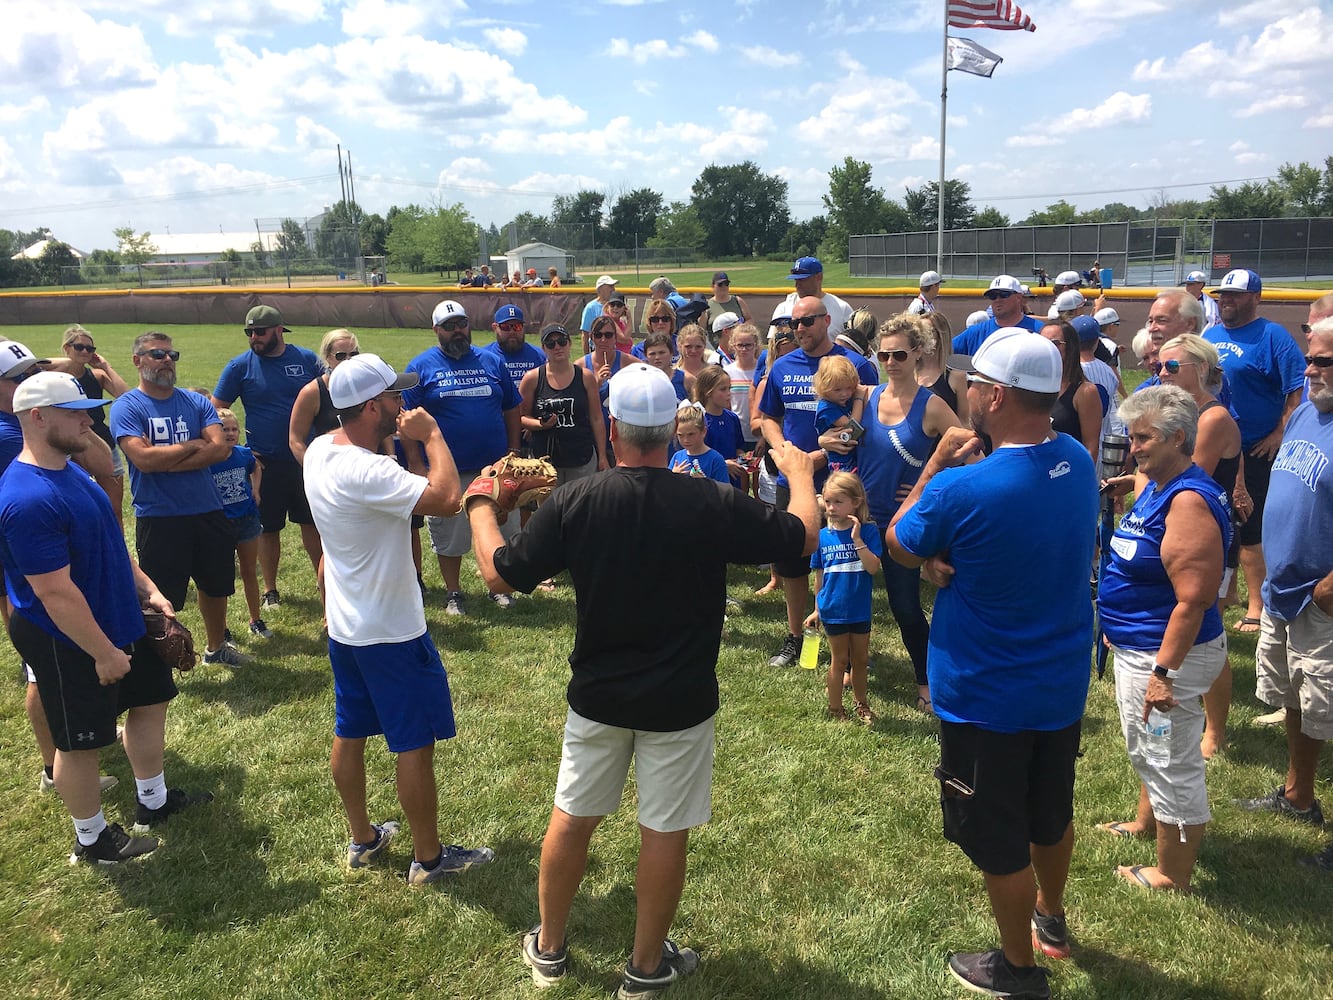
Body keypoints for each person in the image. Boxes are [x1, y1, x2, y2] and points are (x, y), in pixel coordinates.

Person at [464, 362, 817, 997]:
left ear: (616, 431)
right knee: (663, 829)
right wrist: (800, 476)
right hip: (679, 698)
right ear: (671, 429)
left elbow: (499, 575)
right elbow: (799, 541)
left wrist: (482, 502)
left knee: (572, 817)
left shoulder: (579, 499)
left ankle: (549, 949)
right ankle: (646, 966)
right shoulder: (708, 501)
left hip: (598, 692)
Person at [886, 328, 1098, 996]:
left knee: (999, 837)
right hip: (1057, 685)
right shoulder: (1074, 458)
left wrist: (934, 469)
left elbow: (896, 541)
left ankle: (1016, 967)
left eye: (973, 383)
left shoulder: (962, 488)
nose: (965, 392)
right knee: (1050, 813)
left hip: (985, 693)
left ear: (997, 395)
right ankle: (1051, 918)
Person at [0, 371, 212, 863]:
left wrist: (149, 589)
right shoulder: (26, 497)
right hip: (68, 636)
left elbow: (110, 541)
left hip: (120, 616)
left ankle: (153, 802)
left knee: (150, 703)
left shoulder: (68, 470)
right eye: (74, 412)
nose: (86, 420)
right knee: (80, 743)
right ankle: (92, 840)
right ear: (37, 417)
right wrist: (103, 652)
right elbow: (55, 593)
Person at [302, 352, 494, 885]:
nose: (403, 403)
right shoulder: (369, 469)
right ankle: (429, 859)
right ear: (370, 406)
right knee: (413, 740)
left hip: (347, 624)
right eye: (393, 396)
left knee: (351, 728)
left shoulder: (322, 450)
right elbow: (447, 498)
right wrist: (431, 436)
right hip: (390, 629)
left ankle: (363, 838)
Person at [1096, 386, 1231, 892]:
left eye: (1144, 438)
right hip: (1141, 645)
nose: (1135, 447)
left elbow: (1194, 600)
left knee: (1169, 756)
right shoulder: (1158, 482)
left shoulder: (1188, 502)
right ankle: (1146, 820)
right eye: (1131, 437)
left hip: (1165, 656)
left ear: (1178, 438)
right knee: (1151, 745)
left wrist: (1161, 673)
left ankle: (1171, 873)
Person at [832, 313, 965, 713]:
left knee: (905, 607)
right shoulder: (866, 395)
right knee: (844, 595)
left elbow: (970, 454)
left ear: (918, 354)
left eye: (900, 354)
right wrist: (825, 441)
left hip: (901, 523)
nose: (890, 362)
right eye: (884, 354)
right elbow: (844, 440)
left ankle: (926, 681)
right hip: (859, 518)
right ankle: (850, 666)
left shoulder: (933, 405)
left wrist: (929, 482)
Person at [1237, 320, 1333, 863]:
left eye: (1324, 363)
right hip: (1286, 587)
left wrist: (1328, 589)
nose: (1310, 372)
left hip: (1322, 596)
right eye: (1309, 360)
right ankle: (1299, 797)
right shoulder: (1303, 413)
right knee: (1299, 698)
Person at [111, 332, 247, 667]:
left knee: (216, 585)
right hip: (159, 515)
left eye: (172, 354)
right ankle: (162, 654)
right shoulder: (127, 406)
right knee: (161, 593)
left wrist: (164, 460)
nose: (167, 360)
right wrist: (190, 446)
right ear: (137, 360)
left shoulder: (196, 402)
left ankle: (216, 648)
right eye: (157, 354)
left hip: (207, 509)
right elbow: (142, 460)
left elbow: (218, 448)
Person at [758, 295, 878, 668]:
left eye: (807, 322)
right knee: (792, 556)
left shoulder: (856, 366)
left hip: (842, 481)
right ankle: (796, 636)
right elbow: (768, 417)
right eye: (793, 324)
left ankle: (845, 639)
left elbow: (867, 429)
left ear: (827, 320)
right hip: (794, 480)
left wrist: (820, 455)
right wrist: (784, 453)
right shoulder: (782, 365)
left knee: (844, 560)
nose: (799, 329)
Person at [1204, 270, 1307, 636]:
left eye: (1234, 294)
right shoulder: (1210, 335)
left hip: (1255, 447)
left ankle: (1256, 606)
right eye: (1222, 295)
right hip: (1215, 441)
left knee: (1250, 528)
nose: (1225, 300)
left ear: (1255, 298)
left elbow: (1297, 388)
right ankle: (1224, 594)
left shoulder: (1272, 336)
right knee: (1216, 522)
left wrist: (1280, 431)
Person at [403, 299, 521, 615]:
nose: (458, 331)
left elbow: (512, 408)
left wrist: (514, 451)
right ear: (436, 330)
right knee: (450, 535)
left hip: (493, 468)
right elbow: (405, 419)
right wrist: (415, 462)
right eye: (449, 326)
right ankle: (454, 592)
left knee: (500, 530)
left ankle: (499, 586)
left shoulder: (491, 361)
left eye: (462, 324)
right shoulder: (420, 367)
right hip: (448, 472)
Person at [212, 304, 322, 611]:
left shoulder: (305, 359)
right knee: (268, 528)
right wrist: (230, 451)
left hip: (306, 459)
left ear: (278, 330)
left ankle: (323, 579)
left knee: (312, 523)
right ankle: (270, 589)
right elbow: (214, 410)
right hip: (264, 462)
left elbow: (330, 396)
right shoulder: (239, 367)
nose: (254, 338)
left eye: (259, 332)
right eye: (249, 332)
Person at [803, 471, 882, 725]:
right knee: (840, 660)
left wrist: (857, 539)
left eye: (838, 502)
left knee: (859, 659)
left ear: (855, 502)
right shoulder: (823, 536)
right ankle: (836, 708)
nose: (831, 508)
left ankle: (862, 703)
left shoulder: (868, 532)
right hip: (833, 610)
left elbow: (873, 568)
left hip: (859, 609)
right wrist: (817, 609)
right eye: (827, 502)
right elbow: (819, 577)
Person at [44, 324, 130, 523]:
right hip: (68, 444)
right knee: (74, 505)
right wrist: (67, 362)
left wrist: (105, 367)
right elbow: (34, 365)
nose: (85, 352)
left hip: (101, 441)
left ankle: (119, 551)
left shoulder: (97, 376)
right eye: (79, 347)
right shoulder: (55, 378)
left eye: (90, 349)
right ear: (66, 348)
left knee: (113, 506)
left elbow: (126, 396)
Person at [519, 323, 607, 484]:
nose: (557, 347)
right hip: (545, 461)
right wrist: (540, 424)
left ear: (569, 344)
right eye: (551, 344)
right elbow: (521, 417)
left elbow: (596, 418)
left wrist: (602, 456)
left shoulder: (585, 377)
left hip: (581, 458)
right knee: (549, 507)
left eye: (562, 341)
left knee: (580, 507)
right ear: (544, 348)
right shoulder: (532, 378)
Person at [211, 408, 269, 640]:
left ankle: (256, 619)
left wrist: (255, 490)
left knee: (249, 572)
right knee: (221, 577)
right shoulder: (209, 458)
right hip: (220, 523)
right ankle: (221, 628)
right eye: (225, 429)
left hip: (246, 519)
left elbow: (256, 467)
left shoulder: (243, 454)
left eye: (234, 429)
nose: (231, 433)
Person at [288, 329, 361, 466]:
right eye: (340, 356)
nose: (348, 360)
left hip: (366, 468)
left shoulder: (367, 385)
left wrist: (391, 457)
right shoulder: (312, 392)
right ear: (328, 357)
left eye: (353, 354)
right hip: (332, 469)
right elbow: (295, 440)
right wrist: (314, 470)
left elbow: (381, 426)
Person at [1042, 320, 1101, 463]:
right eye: (1042, 343)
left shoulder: (1085, 392)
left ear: (1071, 348)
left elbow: (1090, 448)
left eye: (1054, 343)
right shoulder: (1033, 388)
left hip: (1067, 473)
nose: (1047, 348)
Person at [952, 275, 1044, 356]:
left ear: (1019, 297)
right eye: (993, 296)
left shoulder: (1039, 331)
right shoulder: (976, 332)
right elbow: (943, 351)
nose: (997, 300)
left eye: (1004, 295)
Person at [812, 354, 865, 476]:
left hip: (856, 458)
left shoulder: (844, 401)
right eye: (837, 390)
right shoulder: (826, 408)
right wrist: (858, 398)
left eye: (849, 388)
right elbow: (853, 429)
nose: (845, 394)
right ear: (823, 387)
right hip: (842, 463)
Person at [780, 256, 853, 332]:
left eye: (802, 280)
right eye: (796, 280)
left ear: (819, 277)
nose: (797, 285)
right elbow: (772, 342)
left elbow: (853, 341)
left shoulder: (842, 308)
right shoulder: (784, 308)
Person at [482, 304, 545, 388]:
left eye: (517, 326)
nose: (512, 332)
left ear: (523, 328)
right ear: (495, 327)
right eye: (505, 327)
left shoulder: (540, 356)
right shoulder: (483, 358)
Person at [669, 402, 729, 484]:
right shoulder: (677, 457)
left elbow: (725, 493)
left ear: (703, 432)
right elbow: (666, 490)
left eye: (691, 434)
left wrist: (705, 484)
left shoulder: (715, 459)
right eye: (680, 435)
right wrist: (672, 476)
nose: (686, 440)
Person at [581, 275, 619, 353]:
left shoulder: (616, 306)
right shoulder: (591, 308)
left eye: (613, 286)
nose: (613, 289)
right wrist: (587, 356)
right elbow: (585, 334)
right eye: (610, 286)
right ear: (600, 289)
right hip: (597, 350)